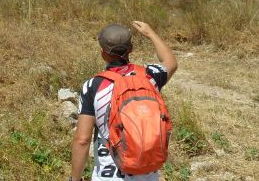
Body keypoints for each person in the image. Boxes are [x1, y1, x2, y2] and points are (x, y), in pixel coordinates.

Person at [70, 22, 178, 181]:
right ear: (131, 49)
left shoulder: (93, 86)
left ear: (103, 53)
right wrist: (150, 33)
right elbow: (171, 63)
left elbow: (82, 140)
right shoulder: (150, 77)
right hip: (147, 173)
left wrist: (75, 178)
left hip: (108, 176)